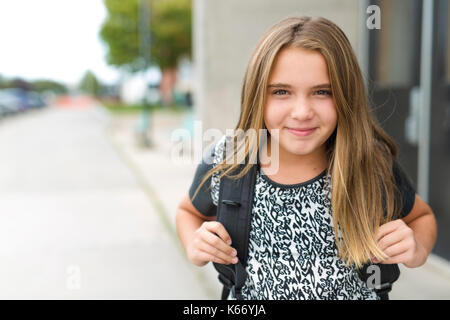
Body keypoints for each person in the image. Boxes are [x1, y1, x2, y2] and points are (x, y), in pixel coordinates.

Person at [175, 16, 437, 300]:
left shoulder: (369, 163)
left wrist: (417, 249)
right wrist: (195, 245)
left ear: (346, 96)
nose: (301, 112)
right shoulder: (228, 161)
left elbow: (422, 217)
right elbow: (188, 212)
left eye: (322, 92)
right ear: (256, 95)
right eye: (281, 91)